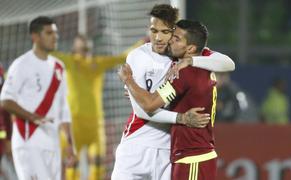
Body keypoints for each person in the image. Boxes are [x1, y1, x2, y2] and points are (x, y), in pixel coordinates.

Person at [112, 4, 235, 180]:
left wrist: (191, 61)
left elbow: (228, 63)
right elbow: (142, 109)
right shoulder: (138, 56)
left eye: (165, 32)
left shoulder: (182, 53)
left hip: (168, 151)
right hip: (136, 143)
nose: (158, 38)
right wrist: (181, 118)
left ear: (174, 32)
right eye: (154, 31)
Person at [52, 34, 143, 179]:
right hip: (74, 123)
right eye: (82, 46)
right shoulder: (69, 62)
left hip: (96, 124)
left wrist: (142, 42)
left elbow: (122, 57)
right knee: (72, 163)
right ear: (74, 48)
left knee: (99, 162)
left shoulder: (97, 63)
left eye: (87, 46)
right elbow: (51, 53)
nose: (85, 49)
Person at [0, 16, 75, 179]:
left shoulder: (59, 67)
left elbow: (63, 108)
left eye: (55, 32)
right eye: (49, 33)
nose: (55, 37)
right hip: (28, 140)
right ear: (35, 37)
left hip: (52, 142)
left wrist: (70, 144)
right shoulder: (21, 64)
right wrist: (32, 117)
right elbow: (5, 100)